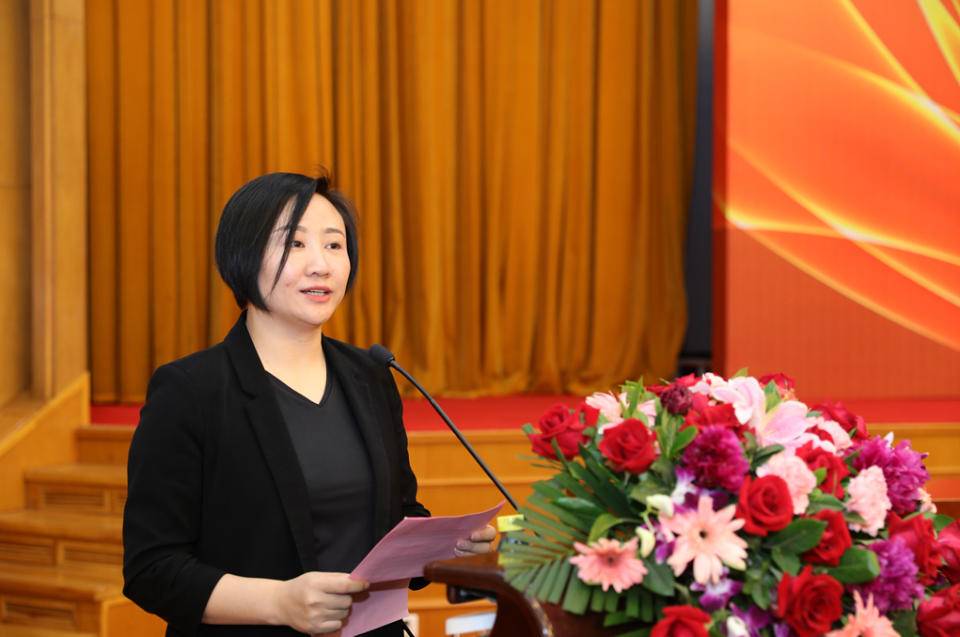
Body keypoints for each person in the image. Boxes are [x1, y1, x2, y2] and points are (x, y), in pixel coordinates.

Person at [123, 172, 497, 636]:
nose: (321, 265)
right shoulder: (190, 391)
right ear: (243, 255)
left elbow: (396, 517)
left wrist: (442, 548)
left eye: (334, 245)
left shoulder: (370, 375)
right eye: (295, 244)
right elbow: (152, 568)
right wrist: (278, 603)